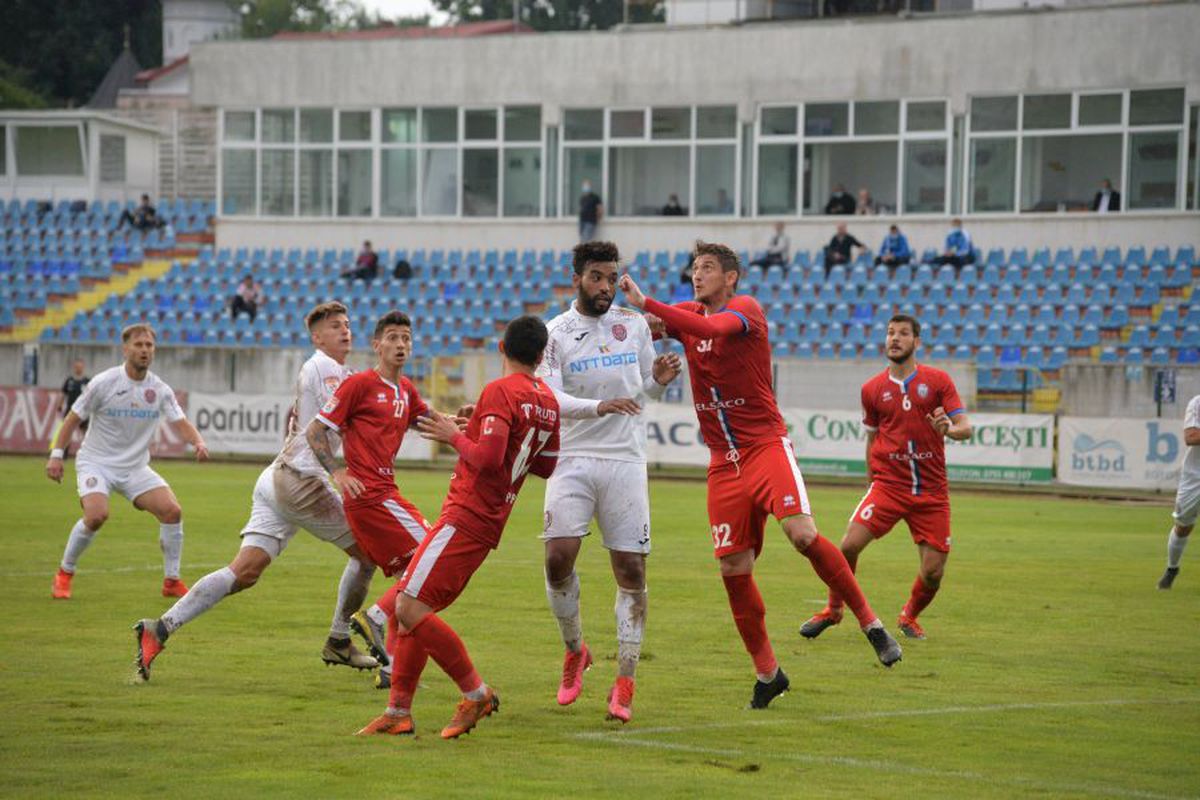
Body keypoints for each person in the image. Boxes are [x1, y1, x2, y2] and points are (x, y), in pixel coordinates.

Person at [617, 243, 901, 710]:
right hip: (722, 462)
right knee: (733, 568)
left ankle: (871, 624)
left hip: (764, 446)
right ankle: (768, 673)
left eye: (708, 268)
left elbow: (708, 327)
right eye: (694, 268)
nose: (697, 275)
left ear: (731, 277)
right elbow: (642, 326)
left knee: (802, 534)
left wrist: (649, 303)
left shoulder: (745, 309)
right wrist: (612, 316)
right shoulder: (688, 314)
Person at [130, 302, 382, 682]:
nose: (345, 330)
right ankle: (339, 639)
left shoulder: (333, 371)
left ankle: (160, 628)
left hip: (276, 477)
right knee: (368, 555)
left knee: (245, 572)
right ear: (317, 337)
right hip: (301, 481)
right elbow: (345, 424)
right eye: (334, 326)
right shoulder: (325, 367)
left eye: (347, 324)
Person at [356, 316, 560, 740]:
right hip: (488, 520)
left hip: (467, 514)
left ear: (501, 348)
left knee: (408, 608)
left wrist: (454, 435)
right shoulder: (548, 401)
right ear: (542, 356)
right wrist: (480, 428)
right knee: (414, 611)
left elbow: (487, 460)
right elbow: (545, 465)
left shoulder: (501, 390)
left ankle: (476, 692)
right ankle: (397, 712)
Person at [537, 241, 682, 722]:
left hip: (625, 459)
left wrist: (658, 380)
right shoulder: (554, 333)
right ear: (577, 279)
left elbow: (644, 391)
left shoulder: (634, 325)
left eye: (611, 278)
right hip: (573, 457)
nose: (605, 286)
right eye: (596, 277)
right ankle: (574, 650)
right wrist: (599, 407)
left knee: (631, 570)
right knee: (557, 558)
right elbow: (552, 399)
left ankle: (625, 681)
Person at [800, 315, 972, 643]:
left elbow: (965, 427)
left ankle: (909, 615)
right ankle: (833, 610)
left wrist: (949, 429)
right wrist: (871, 482)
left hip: (931, 491)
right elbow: (872, 438)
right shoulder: (872, 389)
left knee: (933, 572)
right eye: (891, 333)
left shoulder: (938, 381)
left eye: (903, 333)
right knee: (848, 546)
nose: (895, 338)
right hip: (888, 486)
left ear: (916, 342)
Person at [45, 324, 208, 600]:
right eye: (139, 345)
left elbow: (181, 422)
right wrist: (56, 456)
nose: (145, 350)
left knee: (172, 511)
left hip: (134, 468)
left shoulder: (159, 389)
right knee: (96, 516)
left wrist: (198, 442)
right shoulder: (103, 383)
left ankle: (172, 581)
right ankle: (64, 573)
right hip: (96, 463)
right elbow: (72, 419)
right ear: (125, 349)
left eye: (149, 345)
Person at [1158, 394, 1200, 589]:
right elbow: (1191, 437)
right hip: (1195, 476)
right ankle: (1172, 568)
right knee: (1183, 526)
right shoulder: (1197, 402)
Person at [57, 359, 90, 458]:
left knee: (85, 433)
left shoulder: (87, 381)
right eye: (76, 367)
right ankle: (63, 453)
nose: (78, 369)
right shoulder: (69, 381)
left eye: (80, 367)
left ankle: (87, 454)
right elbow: (63, 394)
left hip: (84, 411)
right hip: (70, 411)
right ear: (74, 368)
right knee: (67, 431)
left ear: (83, 368)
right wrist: (59, 405)